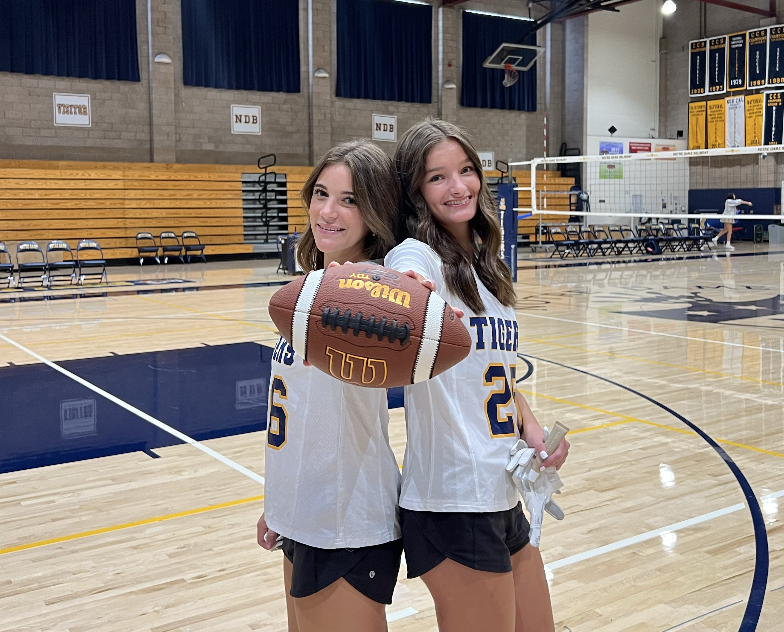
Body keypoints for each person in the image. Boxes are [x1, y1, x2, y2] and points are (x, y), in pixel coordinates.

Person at [385, 118, 570, 632]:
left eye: (465, 170)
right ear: (417, 191)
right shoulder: (423, 260)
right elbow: (407, 261)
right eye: (437, 176)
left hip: (500, 488)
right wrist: (408, 283)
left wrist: (530, 428)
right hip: (451, 500)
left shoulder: (485, 266)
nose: (459, 185)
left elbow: (499, 373)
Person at [256, 140, 403, 632]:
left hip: (346, 520)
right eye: (321, 193)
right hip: (302, 510)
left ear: (376, 209)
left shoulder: (382, 294)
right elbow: (299, 415)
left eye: (349, 199)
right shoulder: (313, 286)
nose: (327, 211)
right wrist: (277, 504)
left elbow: (411, 283)